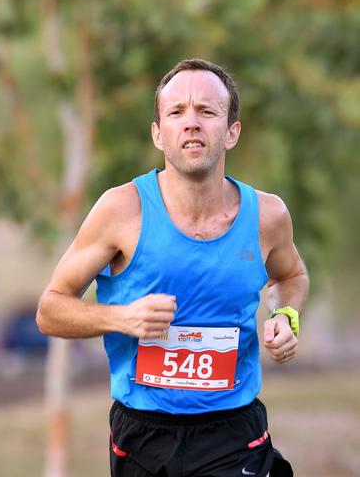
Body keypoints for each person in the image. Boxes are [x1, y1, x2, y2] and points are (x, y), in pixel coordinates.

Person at [37, 58, 309, 477]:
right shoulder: (120, 210)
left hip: (233, 432)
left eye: (207, 111)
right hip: (143, 434)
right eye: (177, 112)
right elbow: (50, 308)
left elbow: (291, 276)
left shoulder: (268, 216)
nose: (192, 123)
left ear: (232, 131)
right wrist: (122, 318)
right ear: (158, 133)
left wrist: (285, 314)